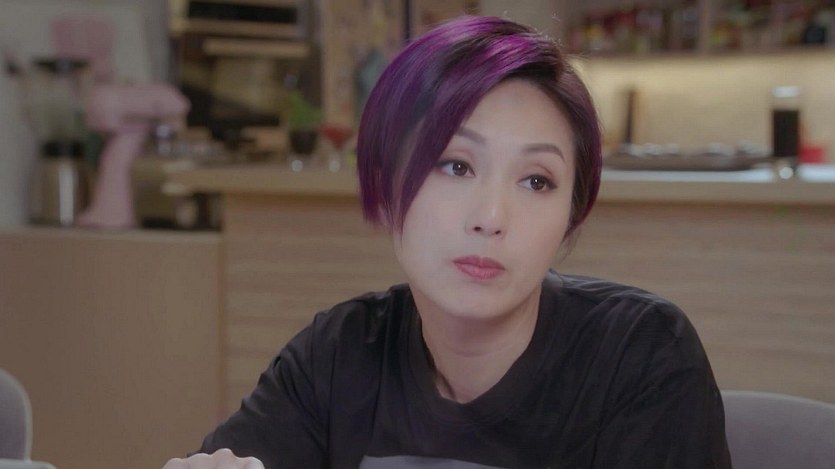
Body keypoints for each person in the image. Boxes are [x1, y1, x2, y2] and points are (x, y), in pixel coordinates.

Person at [163, 15, 731, 469]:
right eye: (456, 166)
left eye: (537, 181)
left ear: (570, 217)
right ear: (386, 183)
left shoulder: (641, 355)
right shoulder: (336, 357)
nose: (491, 218)